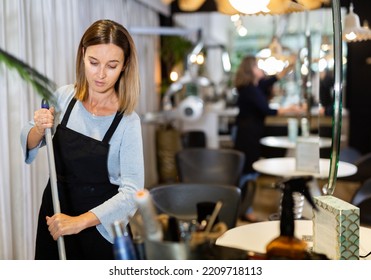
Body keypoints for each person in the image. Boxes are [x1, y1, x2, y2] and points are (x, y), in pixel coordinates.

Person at [20, 19, 144, 260]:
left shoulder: (128, 121)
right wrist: (38, 126)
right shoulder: (65, 97)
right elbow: (30, 141)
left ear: (124, 66)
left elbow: (132, 192)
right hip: (54, 216)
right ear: (83, 55)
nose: (100, 75)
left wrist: (78, 222)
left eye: (111, 65)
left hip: (99, 228)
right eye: (93, 62)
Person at [233, 55, 305, 222]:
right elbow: (267, 110)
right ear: (250, 70)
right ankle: (244, 208)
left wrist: (288, 67)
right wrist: (290, 109)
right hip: (247, 134)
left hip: (249, 132)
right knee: (248, 171)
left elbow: (271, 81)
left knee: (248, 171)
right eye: (258, 66)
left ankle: (241, 205)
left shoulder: (255, 86)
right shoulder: (250, 89)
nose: (261, 69)